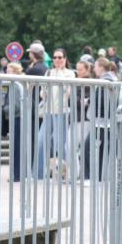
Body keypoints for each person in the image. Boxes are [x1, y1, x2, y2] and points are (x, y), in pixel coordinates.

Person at [36, 49, 75, 179]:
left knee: (60, 143)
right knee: (41, 141)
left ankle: (65, 173)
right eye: (55, 57)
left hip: (62, 111)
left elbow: (69, 91)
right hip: (49, 111)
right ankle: (38, 173)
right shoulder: (48, 72)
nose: (57, 60)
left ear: (65, 58)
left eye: (60, 57)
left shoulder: (70, 73)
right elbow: (42, 93)